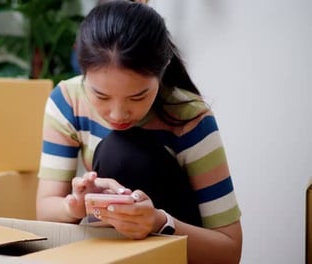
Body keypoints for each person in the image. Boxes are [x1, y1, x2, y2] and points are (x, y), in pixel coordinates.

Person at [36, 1, 242, 264]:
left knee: (122, 151)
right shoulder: (67, 102)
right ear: (82, 68)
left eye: (138, 96)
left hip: (181, 253)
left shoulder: (190, 118)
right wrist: (75, 205)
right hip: (111, 254)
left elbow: (229, 249)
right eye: (101, 95)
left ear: (163, 69)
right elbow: (45, 209)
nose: (118, 114)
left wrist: (159, 221)